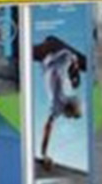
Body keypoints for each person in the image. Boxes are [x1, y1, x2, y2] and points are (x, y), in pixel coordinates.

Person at [31, 35, 88, 172]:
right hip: (51, 52)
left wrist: (44, 153)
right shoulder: (60, 106)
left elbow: (47, 130)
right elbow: (48, 128)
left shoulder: (57, 108)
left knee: (82, 64)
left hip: (49, 55)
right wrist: (74, 67)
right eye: (70, 115)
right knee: (84, 64)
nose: (67, 117)